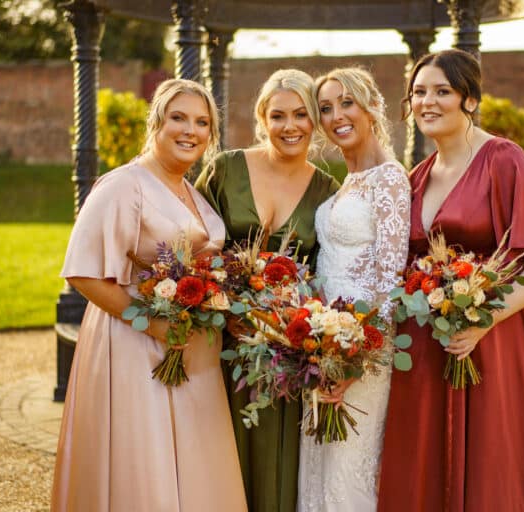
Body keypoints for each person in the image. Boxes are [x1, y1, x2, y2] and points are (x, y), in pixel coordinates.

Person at [378, 49, 524, 511]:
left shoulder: (504, 161)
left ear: (469, 99)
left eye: (442, 91)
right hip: (431, 344)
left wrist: (488, 317)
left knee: (495, 461)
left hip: (499, 339)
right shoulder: (418, 177)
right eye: (419, 92)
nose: (428, 101)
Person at [51, 78, 246, 512]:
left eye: (201, 122)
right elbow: (83, 274)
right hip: (135, 348)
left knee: (195, 464)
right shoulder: (124, 185)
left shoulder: (192, 192)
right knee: (145, 463)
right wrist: (152, 321)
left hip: (194, 350)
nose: (189, 131)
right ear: (156, 122)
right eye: (178, 118)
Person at [195, 69, 339, 512]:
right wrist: (223, 305)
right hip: (220, 340)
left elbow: (325, 275)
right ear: (262, 118)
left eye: (301, 114)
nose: (290, 125)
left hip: (284, 352)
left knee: (279, 463)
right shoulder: (225, 168)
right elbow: (194, 241)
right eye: (278, 115)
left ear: (314, 121)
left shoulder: (328, 190)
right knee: (215, 453)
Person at [296, 67, 410, 512]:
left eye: (347, 102)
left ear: (372, 107)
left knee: (348, 466)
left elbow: (388, 279)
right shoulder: (346, 181)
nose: (336, 115)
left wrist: (355, 362)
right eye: (325, 107)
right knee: (319, 463)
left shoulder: (389, 179)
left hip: (361, 349)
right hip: (321, 343)